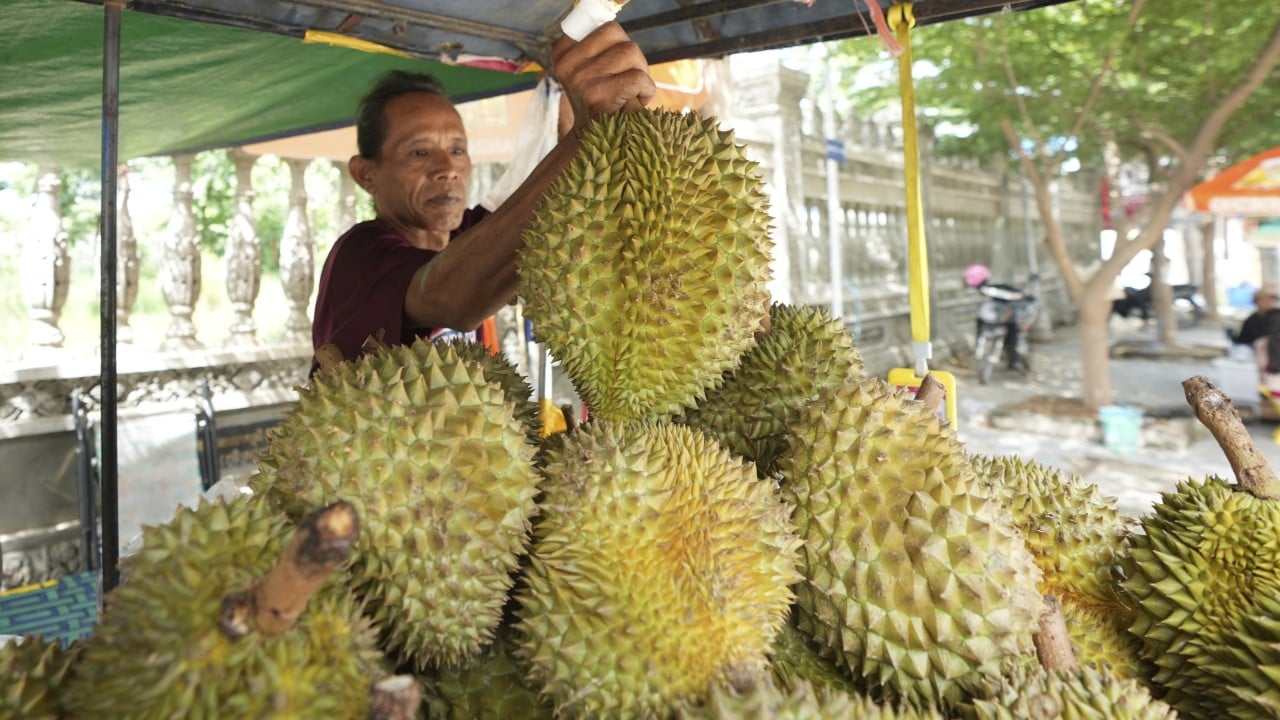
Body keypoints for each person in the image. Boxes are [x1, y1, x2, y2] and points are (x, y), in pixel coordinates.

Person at [311, 23, 656, 371]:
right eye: (419, 153)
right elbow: (450, 295)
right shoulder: (359, 255)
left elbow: (539, 225)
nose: (448, 168)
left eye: (457, 149)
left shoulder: (468, 235)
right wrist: (583, 138)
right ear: (365, 174)